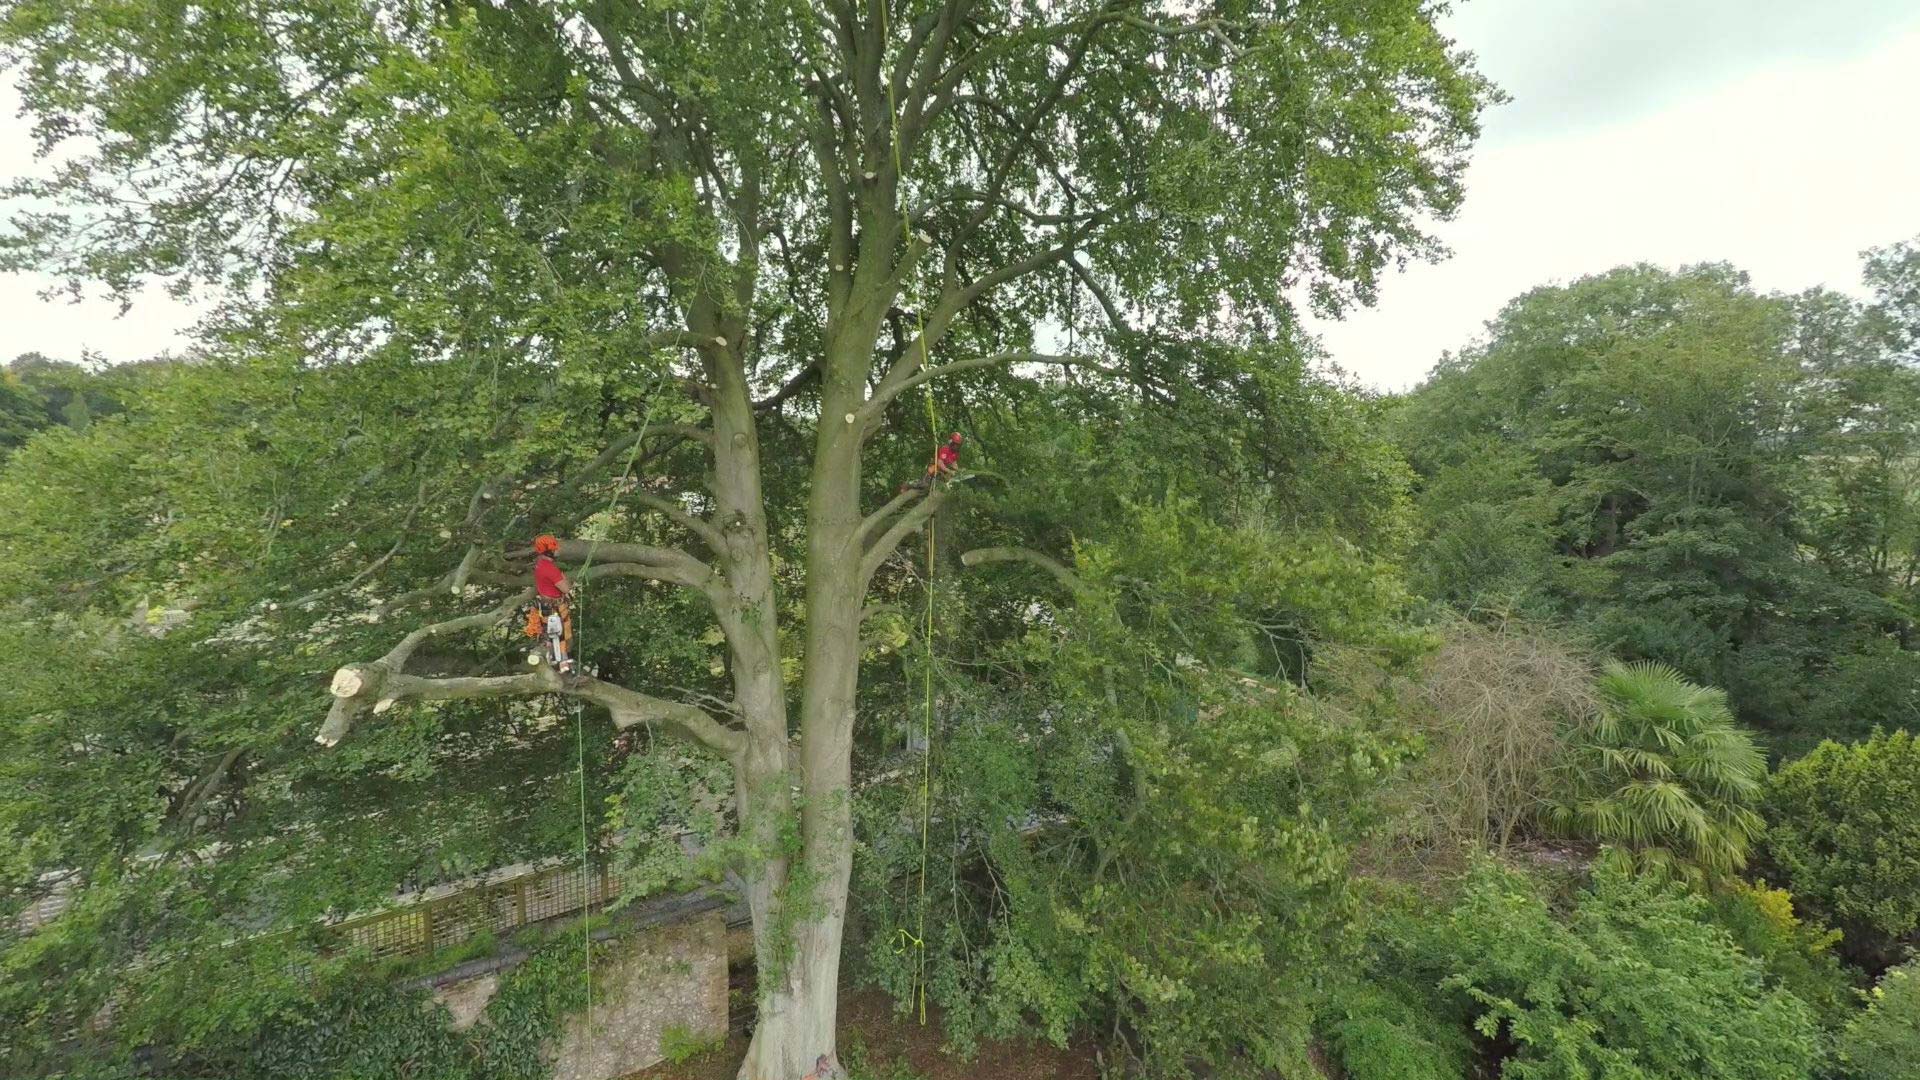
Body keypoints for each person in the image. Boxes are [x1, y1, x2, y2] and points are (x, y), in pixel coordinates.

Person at [530, 534, 575, 674]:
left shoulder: (539, 563)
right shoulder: (550, 569)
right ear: (549, 551)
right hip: (555, 606)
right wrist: (565, 578)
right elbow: (566, 588)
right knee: (560, 635)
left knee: (551, 635)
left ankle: (556, 662)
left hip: (544, 605)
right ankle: (563, 665)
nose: (559, 550)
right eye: (556, 548)